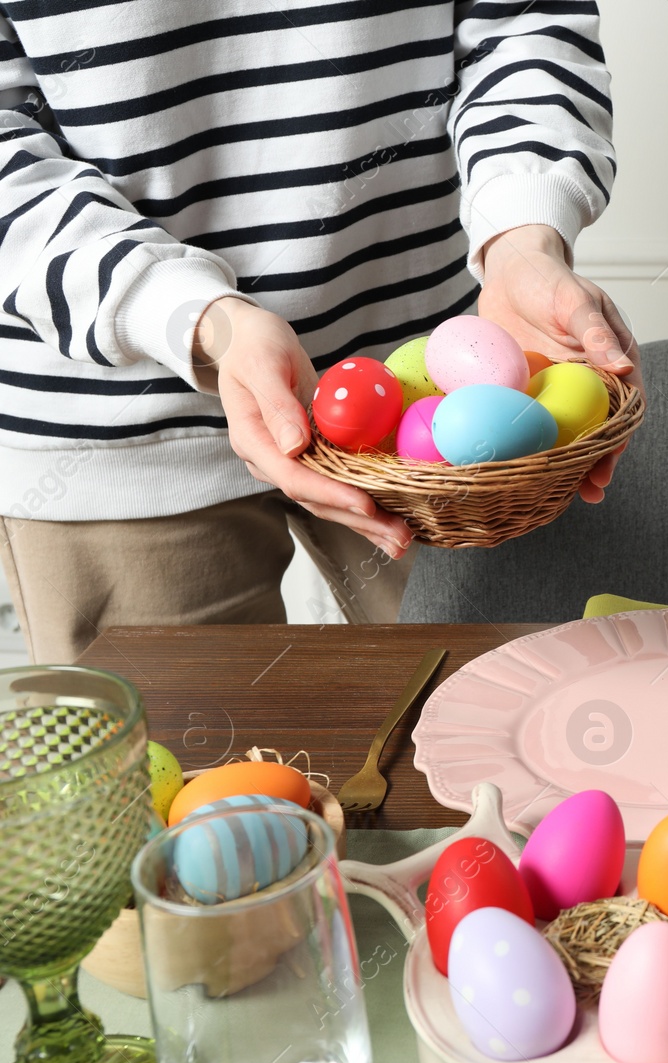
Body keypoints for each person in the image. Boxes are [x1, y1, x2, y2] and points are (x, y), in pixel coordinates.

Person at [0, 2, 630, 665]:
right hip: (122, 428)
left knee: (506, 726)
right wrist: (191, 314)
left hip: (427, 414)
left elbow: (521, 22)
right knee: (187, 763)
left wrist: (522, 235)